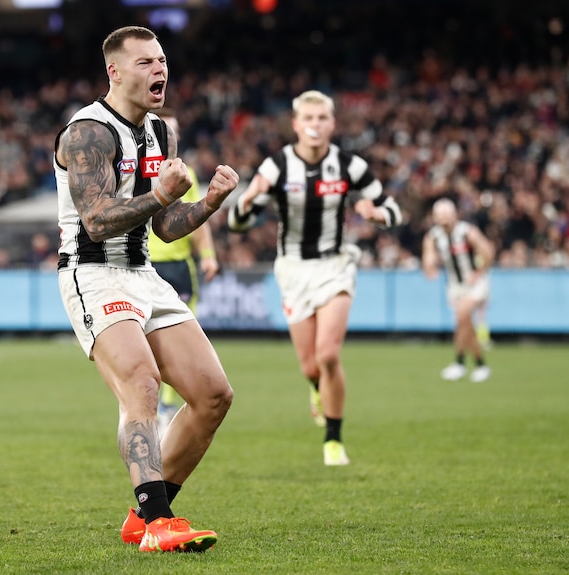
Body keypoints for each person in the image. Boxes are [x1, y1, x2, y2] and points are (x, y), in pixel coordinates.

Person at [53, 26, 240, 553]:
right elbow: (94, 223)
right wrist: (159, 194)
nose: (159, 70)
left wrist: (208, 205)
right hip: (91, 272)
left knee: (212, 395)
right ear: (114, 71)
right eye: (145, 63)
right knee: (141, 382)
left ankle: (144, 515)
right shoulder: (87, 132)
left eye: (162, 60)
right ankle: (159, 522)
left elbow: (163, 227)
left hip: (143, 273)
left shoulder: (161, 131)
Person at [228, 90, 401, 466]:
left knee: (328, 354)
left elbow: (392, 207)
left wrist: (378, 215)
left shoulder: (349, 166)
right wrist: (246, 201)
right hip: (292, 270)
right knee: (310, 367)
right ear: (295, 124)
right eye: (308, 118)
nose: (315, 125)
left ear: (332, 123)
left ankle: (333, 440)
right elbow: (237, 222)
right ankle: (316, 390)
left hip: (335, 265)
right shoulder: (276, 167)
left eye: (322, 118)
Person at [147, 109, 220, 434]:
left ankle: (166, 405)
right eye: (163, 130)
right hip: (141, 265)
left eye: (173, 131)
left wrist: (208, 254)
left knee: (178, 342)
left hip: (178, 268)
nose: (169, 138)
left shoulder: (183, 173)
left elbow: (196, 217)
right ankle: (146, 406)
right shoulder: (136, 169)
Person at [422, 197, 494, 382]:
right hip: (454, 285)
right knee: (464, 324)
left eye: (447, 214)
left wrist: (479, 272)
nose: (444, 219)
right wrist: (430, 268)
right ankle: (479, 365)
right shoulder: (433, 236)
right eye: (440, 215)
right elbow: (428, 257)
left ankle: (460, 362)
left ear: (454, 215)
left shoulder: (467, 232)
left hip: (475, 283)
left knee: (462, 315)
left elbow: (488, 250)